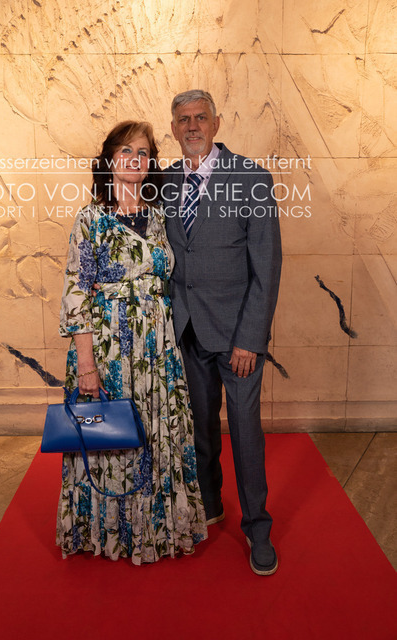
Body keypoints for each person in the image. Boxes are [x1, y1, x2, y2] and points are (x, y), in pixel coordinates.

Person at [57, 120, 207, 565]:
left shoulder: (158, 217)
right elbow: (76, 293)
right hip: (108, 350)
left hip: (157, 352)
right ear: (108, 159)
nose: (134, 160)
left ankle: (155, 531)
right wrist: (87, 365)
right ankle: (111, 533)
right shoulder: (90, 219)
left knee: (156, 437)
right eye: (125, 151)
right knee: (111, 437)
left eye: (142, 153)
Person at [162, 90, 282, 575]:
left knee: (246, 434)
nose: (192, 126)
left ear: (216, 123)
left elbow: (266, 267)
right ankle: (210, 504)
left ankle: (258, 528)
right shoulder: (164, 181)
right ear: (173, 128)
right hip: (187, 331)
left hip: (238, 339)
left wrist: (251, 339)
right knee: (200, 426)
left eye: (200, 118)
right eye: (183, 119)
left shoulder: (251, 179)